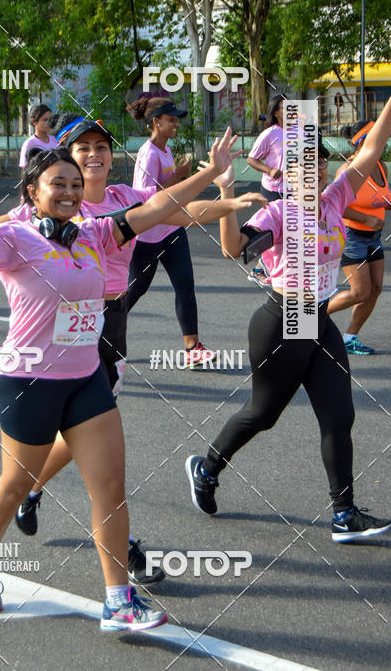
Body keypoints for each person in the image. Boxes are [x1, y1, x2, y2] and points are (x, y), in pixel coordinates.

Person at [0, 118, 263, 584]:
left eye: (99, 149)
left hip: (97, 343)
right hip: (33, 365)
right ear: (35, 190)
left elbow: (163, 208)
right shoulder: (22, 230)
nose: (89, 162)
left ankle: (118, 590)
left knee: (107, 482)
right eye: (73, 161)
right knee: (16, 480)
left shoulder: (102, 226)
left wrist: (217, 181)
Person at [185, 105, 391, 543]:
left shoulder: (336, 197)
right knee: (263, 414)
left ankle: (344, 514)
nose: (314, 171)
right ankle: (206, 467)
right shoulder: (277, 215)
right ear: (284, 176)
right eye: (302, 166)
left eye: (319, 163)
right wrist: (226, 195)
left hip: (318, 317)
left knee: (340, 415)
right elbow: (234, 247)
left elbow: (373, 148)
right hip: (283, 320)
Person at [126, 96, 214, 368]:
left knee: (185, 285)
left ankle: (192, 348)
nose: (176, 123)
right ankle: (100, 332)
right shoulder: (148, 153)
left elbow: (167, 189)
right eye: (171, 119)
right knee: (133, 291)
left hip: (172, 229)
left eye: (176, 118)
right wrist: (180, 175)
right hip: (148, 235)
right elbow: (146, 199)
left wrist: (177, 173)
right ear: (156, 122)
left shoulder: (164, 151)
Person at [327, 120, 391, 355]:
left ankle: (350, 337)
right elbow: (332, 205)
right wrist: (365, 219)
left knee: (375, 289)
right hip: (352, 236)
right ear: (364, 140)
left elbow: (382, 196)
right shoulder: (349, 170)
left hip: (373, 237)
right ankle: (310, 320)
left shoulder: (380, 165)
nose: (385, 139)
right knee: (359, 292)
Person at [247, 94, 287, 202]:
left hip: (296, 190)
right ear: (276, 113)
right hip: (274, 191)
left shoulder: (301, 132)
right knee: (274, 219)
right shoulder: (269, 134)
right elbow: (251, 159)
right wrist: (270, 170)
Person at [19, 103, 58, 168]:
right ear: (35, 122)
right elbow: (25, 170)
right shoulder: (29, 144)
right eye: (45, 120)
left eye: (50, 119)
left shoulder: (55, 140)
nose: (49, 123)